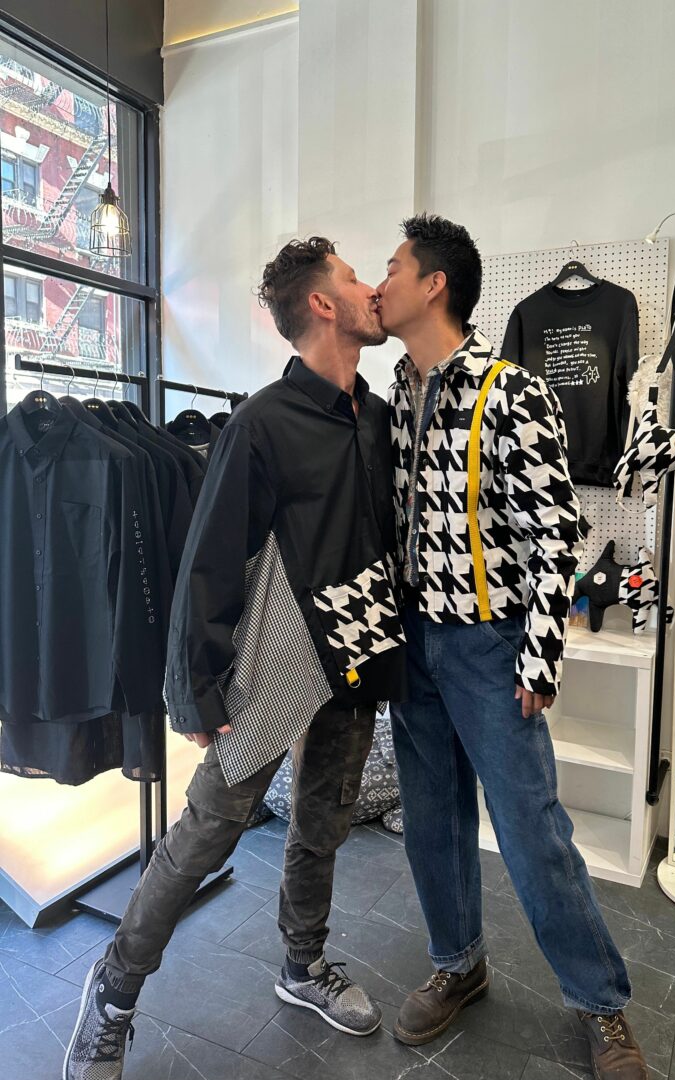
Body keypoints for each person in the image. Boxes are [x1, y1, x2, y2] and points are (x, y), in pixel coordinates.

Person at [64, 238, 408, 1079]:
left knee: (322, 824)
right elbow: (210, 561)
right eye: (353, 278)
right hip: (274, 665)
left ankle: (303, 964)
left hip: (354, 661)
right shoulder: (260, 425)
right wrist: (196, 689)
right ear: (321, 304)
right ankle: (112, 992)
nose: (370, 290)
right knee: (206, 834)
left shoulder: (377, 418)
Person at [377, 214, 649, 1080]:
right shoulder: (398, 391)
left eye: (393, 267)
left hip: (488, 648)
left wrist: (539, 653)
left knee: (531, 829)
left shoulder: (512, 390)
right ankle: (457, 964)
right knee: (432, 818)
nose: (381, 283)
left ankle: (601, 1004)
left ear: (434, 285)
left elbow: (556, 533)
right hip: (414, 642)